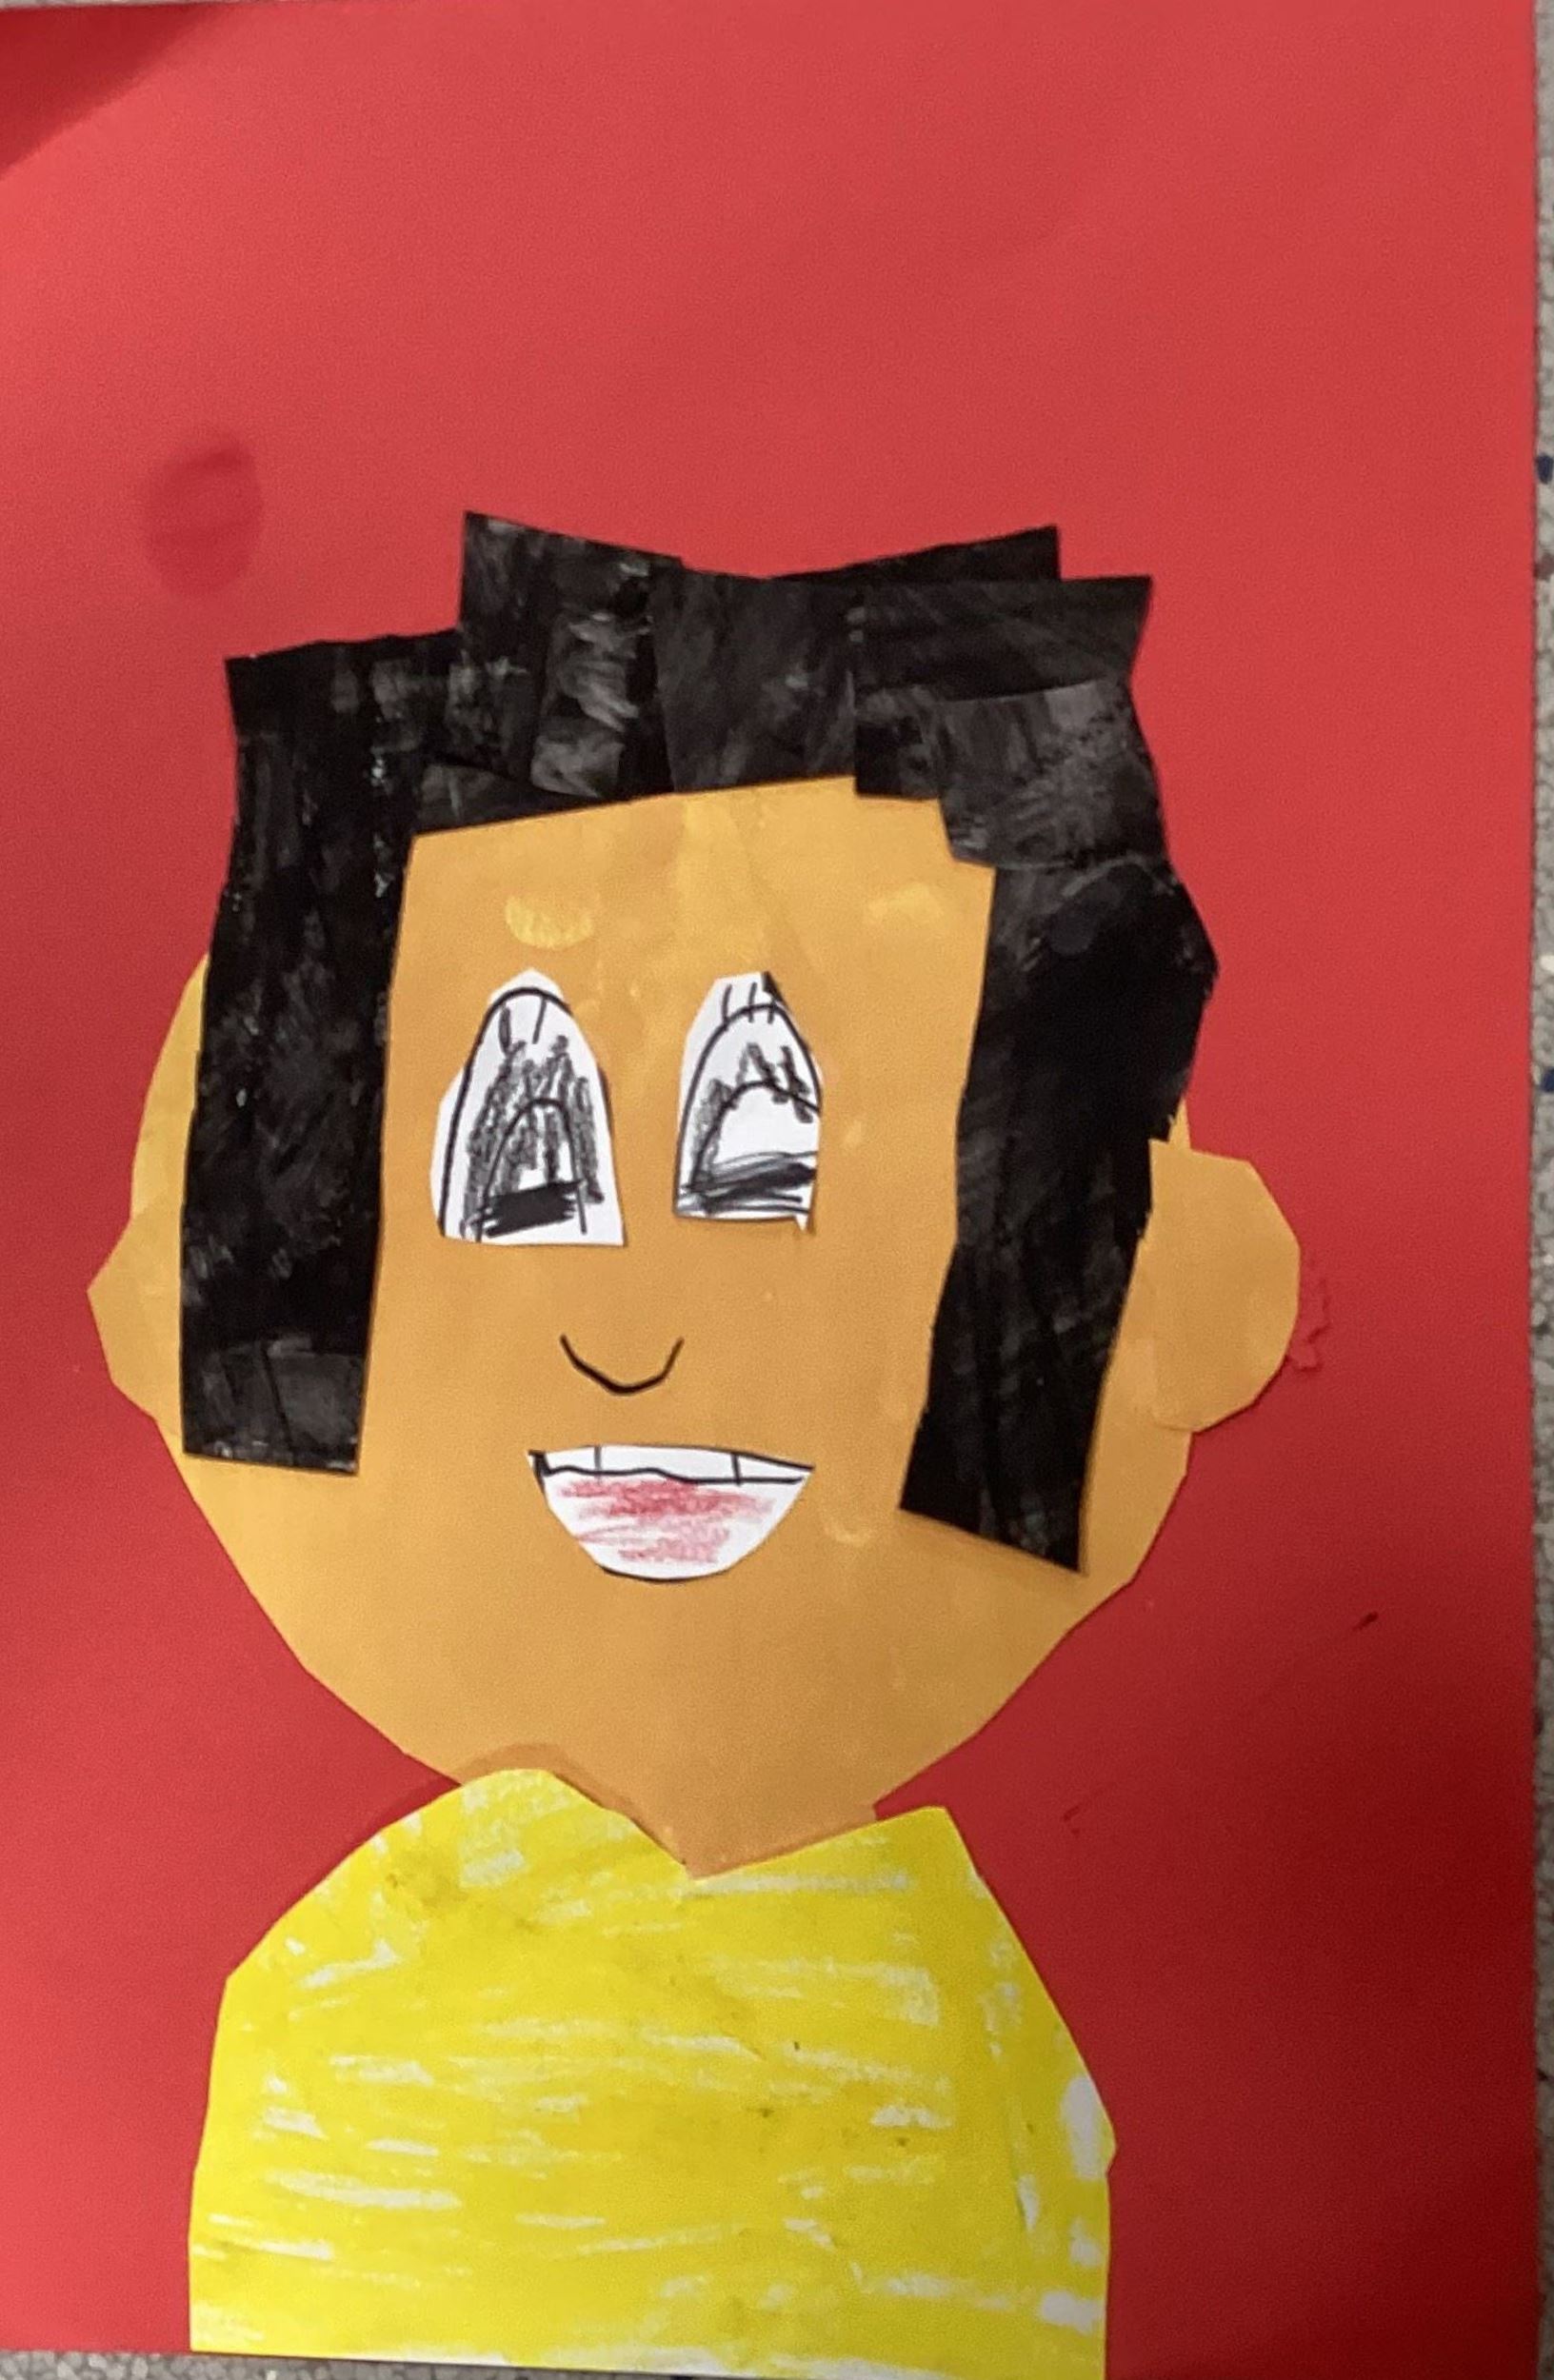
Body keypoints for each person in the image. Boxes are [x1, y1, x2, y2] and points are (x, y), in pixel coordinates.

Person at [91, 517, 1296, 2380]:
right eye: (520, 1165)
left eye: (768, 1156)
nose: (635, 1339)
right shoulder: (330, 2033)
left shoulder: (988, 2076)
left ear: (1187, 1293)